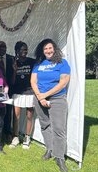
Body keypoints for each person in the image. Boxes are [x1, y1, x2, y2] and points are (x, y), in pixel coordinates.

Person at [30, 38, 71, 172]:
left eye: (50, 48)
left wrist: (45, 94)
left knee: (59, 128)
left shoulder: (62, 63)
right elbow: (33, 82)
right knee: (45, 124)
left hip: (57, 98)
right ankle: (50, 149)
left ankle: (59, 157)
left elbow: (63, 82)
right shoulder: (38, 64)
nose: (48, 51)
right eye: (45, 49)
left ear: (55, 49)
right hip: (39, 98)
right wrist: (40, 97)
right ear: (42, 51)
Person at [9, 41, 36, 149]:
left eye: (25, 49)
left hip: (30, 92)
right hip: (18, 92)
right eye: (21, 49)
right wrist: (15, 70)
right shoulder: (14, 62)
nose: (24, 51)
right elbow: (12, 82)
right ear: (16, 51)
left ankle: (27, 137)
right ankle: (15, 137)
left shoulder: (32, 62)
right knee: (16, 116)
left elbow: (35, 78)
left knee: (29, 116)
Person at [0, 41, 14, 143]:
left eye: (4, 46)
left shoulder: (11, 59)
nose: (2, 48)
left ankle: (7, 132)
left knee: (8, 111)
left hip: (9, 89)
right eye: (0, 47)